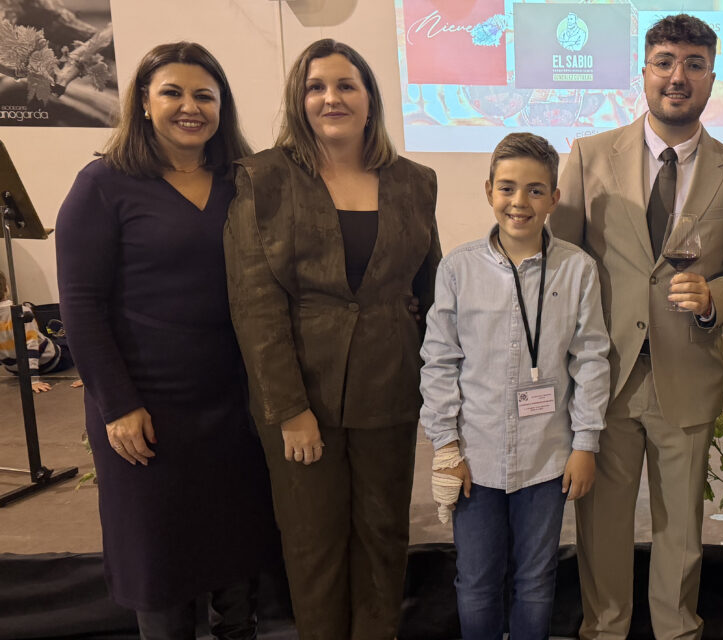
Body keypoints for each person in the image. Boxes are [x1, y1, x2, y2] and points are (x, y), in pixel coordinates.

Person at [549, 13, 723, 639]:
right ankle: (604, 628)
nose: (678, 76)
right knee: (603, 524)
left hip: (686, 371)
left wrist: (712, 298)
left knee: (681, 530)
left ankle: (677, 630)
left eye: (694, 65)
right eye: (665, 61)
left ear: (712, 79)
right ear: (643, 73)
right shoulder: (590, 156)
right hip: (604, 373)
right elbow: (562, 264)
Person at [55, 41, 277, 639]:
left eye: (205, 95)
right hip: (146, 409)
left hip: (233, 406)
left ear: (222, 107)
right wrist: (118, 405)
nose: (190, 107)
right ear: (144, 104)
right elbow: (80, 304)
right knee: (159, 565)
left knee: (237, 560)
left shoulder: (243, 181)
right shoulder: (103, 184)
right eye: (172, 93)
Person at [223, 39, 441, 640]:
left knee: (383, 538)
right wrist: (290, 409)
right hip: (300, 398)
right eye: (317, 86)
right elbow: (254, 304)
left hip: (390, 391)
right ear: (300, 100)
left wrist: (439, 392)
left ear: (369, 100)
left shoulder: (415, 182)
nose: (331, 97)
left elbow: (431, 297)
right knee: (314, 547)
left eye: (346, 85)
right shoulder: (262, 180)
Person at [420, 132, 611, 640]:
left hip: (548, 459)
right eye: (507, 188)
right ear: (488, 191)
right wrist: (445, 445)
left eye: (533, 190)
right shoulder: (458, 269)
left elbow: (590, 360)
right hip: (475, 459)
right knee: (477, 582)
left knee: (536, 579)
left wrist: (585, 443)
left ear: (553, 198)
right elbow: (439, 361)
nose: (518, 202)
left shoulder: (577, 270)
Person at [1, 270, 70, 393]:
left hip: (15, 369)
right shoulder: (21, 312)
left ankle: (60, 334)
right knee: (69, 343)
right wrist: (33, 380)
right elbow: (31, 346)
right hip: (52, 362)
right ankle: (65, 333)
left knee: (51, 340)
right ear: (7, 289)